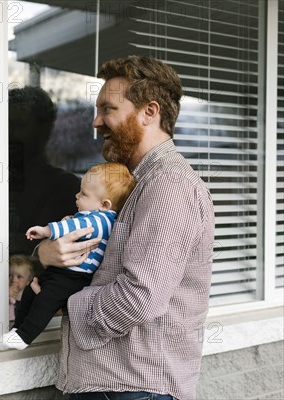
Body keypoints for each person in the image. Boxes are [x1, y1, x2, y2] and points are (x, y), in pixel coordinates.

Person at [37, 56, 215, 400]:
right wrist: (46, 252)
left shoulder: (169, 186)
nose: (96, 121)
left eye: (108, 108)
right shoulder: (128, 184)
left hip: (134, 389)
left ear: (150, 112)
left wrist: (64, 302)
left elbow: (139, 297)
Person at [0, 162, 135, 350]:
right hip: (63, 271)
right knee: (31, 290)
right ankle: (17, 329)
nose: (77, 196)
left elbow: (71, 228)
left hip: (74, 277)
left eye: (84, 194)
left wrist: (46, 230)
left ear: (104, 205)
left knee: (45, 300)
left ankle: (24, 336)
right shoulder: (92, 218)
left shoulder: (100, 220)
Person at [8, 86, 81, 256]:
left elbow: (39, 249)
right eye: (5, 126)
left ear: (44, 130)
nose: (9, 134)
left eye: (18, 125)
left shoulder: (63, 187)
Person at [8, 254, 39, 322]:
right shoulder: (5, 294)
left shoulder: (29, 297)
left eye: (19, 277)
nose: (13, 280)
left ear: (28, 280)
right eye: (10, 275)